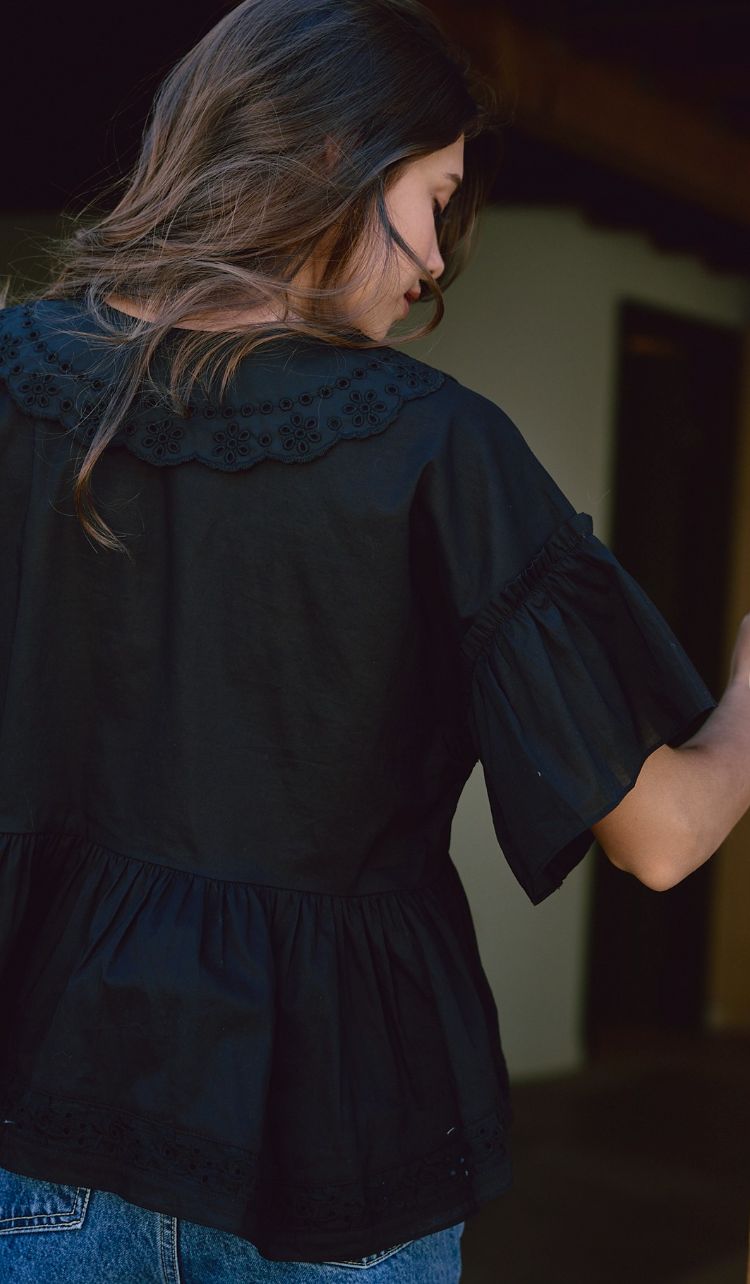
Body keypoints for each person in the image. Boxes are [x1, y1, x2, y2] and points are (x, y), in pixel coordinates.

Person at [0, 1, 749, 1280]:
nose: (443, 259)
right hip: (339, 1161)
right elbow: (666, 838)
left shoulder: (14, 377)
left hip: (46, 1131)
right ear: (341, 157)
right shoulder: (441, 445)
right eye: (439, 196)